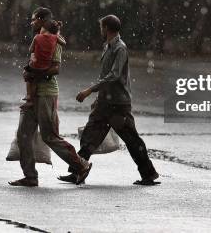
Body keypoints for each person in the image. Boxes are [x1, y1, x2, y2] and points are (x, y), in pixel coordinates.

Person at [58, 14, 160, 186]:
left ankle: (149, 174)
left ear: (106, 28)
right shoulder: (108, 47)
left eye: (101, 27)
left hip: (119, 105)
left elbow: (113, 75)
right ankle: (77, 171)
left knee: (132, 140)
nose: (100, 30)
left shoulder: (120, 48)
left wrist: (89, 90)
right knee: (89, 136)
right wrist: (99, 98)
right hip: (105, 103)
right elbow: (106, 76)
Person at [9, 7, 92, 187]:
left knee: (50, 136)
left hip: (46, 93)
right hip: (32, 94)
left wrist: (34, 74)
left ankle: (81, 165)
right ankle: (30, 176)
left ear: (41, 20)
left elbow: (56, 68)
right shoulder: (37, 39)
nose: (31, 23)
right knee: (23, 135)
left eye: (33, 20)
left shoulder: (55, 41)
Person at [20, 19, 66, 109]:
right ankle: (30, 99)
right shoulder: (55, 38)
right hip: (45, 67)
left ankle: (29, 96)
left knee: (27, 75)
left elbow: (30, 50)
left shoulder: (37, 37)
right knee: (35, 81)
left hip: (35, 66)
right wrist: (57, 36)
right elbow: (64, 43)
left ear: (44, 29)